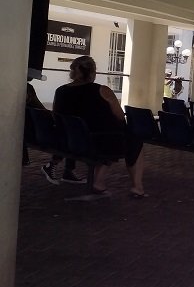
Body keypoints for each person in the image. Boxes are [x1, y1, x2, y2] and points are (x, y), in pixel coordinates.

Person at [49, 55, 147, 197]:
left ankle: (99, 182)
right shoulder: (102, 90)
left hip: (69, 140)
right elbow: (120, 115)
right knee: (133, 141)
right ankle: (137, 187)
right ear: (92, 72)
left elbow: (56, 113)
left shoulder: (60, 91)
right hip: (97, 141)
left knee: (110, 138)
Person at [27, 79, 83, 182]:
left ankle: (58, 167)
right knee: (71, 134)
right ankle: (63, 169)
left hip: (33, 132)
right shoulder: (27, 89)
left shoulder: (60, 90)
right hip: (38, 134)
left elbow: (43, 111)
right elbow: (43, 111)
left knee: (69, 132)